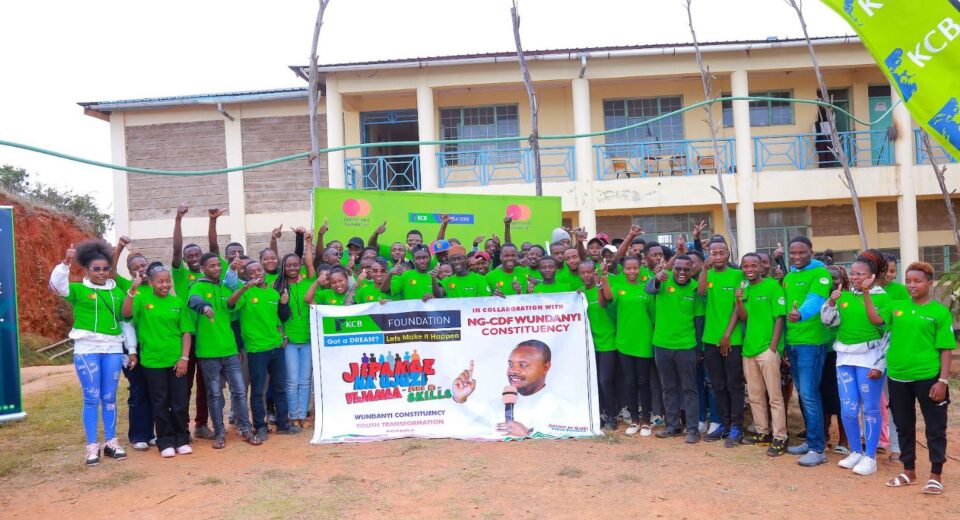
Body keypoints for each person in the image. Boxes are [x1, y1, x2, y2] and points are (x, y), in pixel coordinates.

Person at [864, 262, 953, 495]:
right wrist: (865, 292)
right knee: (904, 426)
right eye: (909, 280)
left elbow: (945, 350)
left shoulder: (939, 312)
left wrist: (942, 381)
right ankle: (909, 471)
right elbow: (875, 320)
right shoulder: (897, 307)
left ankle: (935, 475)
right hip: (898, 377)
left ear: (929, 283)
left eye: (917, 281)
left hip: (928, 377)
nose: (912, 285)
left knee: (935, 427)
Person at [50, 240, 129, 466]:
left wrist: (130, 350)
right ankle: (92, 445)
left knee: (109, 397)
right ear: (86, 270)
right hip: (87, 349)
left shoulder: (117, 292)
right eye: (96, 269)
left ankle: (111, 442)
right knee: (92, 397)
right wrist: (65, 262)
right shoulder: (78, 289)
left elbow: (125, 321)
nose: (102, 273)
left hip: (113, 347)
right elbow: (57, 286)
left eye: (105, 268)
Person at [821, 250, 890, 476]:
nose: (855, 277)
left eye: (861, 274)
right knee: (848, 409)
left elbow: (878, 322)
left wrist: (867, 294)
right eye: (853, 273)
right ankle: (856, 452)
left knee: (870, 409)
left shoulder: (882, 297)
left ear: (873, 276)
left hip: (869, 359)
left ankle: (870, 457)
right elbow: (828, 322)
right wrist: (831, 302)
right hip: (845, 359)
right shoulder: (845, 296)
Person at [185, 253, 257, 449]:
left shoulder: (227, 287)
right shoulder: (197, 285)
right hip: (208, 353)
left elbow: (232, 305)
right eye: (212, 265)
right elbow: (193, 300)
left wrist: (243, 288)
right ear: (203, 268)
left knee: (240, 391)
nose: (216, 268)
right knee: (215, 394)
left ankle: (245, 429)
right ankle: (219, 433)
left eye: (218, 265)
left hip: (230, 350)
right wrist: (205, 306)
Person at [122, 262, 192, 458]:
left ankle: (182, 439)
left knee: (179, 402)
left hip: (176, 361)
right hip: (152, 361)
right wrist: (132, 290)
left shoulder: (177, 303)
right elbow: (126, 314)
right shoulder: (142, 299)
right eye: (160, 281)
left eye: (167, 281)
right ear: (151, 283)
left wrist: (184, 357)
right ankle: (165, 441)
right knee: (160, 402)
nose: (165, 285)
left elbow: (186, 332)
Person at [228, 261, 302, 441]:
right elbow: (230, 305)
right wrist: (244, 287)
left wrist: (282, 336)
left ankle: (283, 424)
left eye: (259, 269)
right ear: (246, 276)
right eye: (251, 272)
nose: (257, 273)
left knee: (279, 387)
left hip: (276, 347)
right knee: (258, 390)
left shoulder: (272, 293)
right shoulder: (246, 292)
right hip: (256, 349)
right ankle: (260, 426)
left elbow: (277, 320)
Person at [782, 236, 833, 467]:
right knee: (803, 394)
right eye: (793, 253)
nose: (797, 256)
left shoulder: (821, 274)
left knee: (810, 395)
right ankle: (812, 441)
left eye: (801, 252)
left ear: (811, 252)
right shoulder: (790, 276)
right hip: (793, 342)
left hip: (812, 343)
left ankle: (817, 448)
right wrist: (784, 342)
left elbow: (815, 300)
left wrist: (801, 313)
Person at [735, 253, 788, 456]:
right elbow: (744, 318)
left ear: (760, 267)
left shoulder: (773, 286)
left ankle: (780, 437)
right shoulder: (745, 289)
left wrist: (773, 347)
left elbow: (780, 318)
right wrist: (739, 301)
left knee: (774, 396)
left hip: (767, 349)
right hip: (749, 349)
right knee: (756, 395)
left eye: (753, 265)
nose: (749, 269)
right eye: (745, 265)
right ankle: (762, 432)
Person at [451, 340, 561, 438]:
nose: (513, 371)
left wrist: (528, 435)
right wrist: (459, 399)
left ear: (545, 367)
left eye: (522, 365)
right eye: (511, 365)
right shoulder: (496, 405)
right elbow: (463, 429)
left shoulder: (559, 406)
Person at [646, 255, 701, 444]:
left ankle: (692, 429)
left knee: (689, 389)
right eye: (678, 268)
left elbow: (699, 320)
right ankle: (673, 426)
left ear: (692, 269)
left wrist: (698, 349)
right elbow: (648, 289)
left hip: (686, 346)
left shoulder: (695, 288)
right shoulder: (663, 280)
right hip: (662, 344)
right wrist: (658, 276)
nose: (682, 273)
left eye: (686, 269)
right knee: (668, 387)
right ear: (673, 268)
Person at [698, 240, 746, 446]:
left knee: (733, 385)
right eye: (713, 253)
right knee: (717, 385)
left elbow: (738, 307)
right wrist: (703, 269)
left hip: (732, 340)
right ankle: (725, 425)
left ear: (728, 254)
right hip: (710, 339)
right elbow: (701, 293)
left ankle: (736, 427)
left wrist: (727, 335)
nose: (717, 256)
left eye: (721, 253)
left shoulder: (737, 275)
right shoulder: (707, 274)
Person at [171, 205, 214, 440]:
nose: (194, 258)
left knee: (205, 384)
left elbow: (215, 248)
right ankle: (182, 428)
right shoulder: (179, 274)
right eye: (190, 256)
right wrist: (178, 219)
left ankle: (201, 425)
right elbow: (176, 248)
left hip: (207, 337)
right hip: (187, 336)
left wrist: (212, 221)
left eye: (198, 255)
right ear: (185, 260)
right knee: (183, 385)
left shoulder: (209, 274)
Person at [602, 256, 655, 437]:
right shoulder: (618, 287)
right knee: (630, 383)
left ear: (640, 268)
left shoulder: (646, 289)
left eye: (635, 268)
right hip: (624, 343)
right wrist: (603, 277)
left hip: (644, 342)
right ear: (623, 270)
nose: (632, 272)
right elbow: (608, 297)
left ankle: (646, 421)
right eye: (628, 269)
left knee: (644, 382)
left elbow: (653, 315)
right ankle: (634, 420)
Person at [111, 240, 155, 451]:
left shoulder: (157, 286)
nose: (140, 270)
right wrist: (119, 249)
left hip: (153, 346)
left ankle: (151, 433)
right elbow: (110, 272)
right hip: (130, 349)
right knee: (138, 389)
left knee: (154, 390)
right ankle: (138, 435)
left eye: (143, 266)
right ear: (128, 272)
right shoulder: (125, 287)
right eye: (134, 268)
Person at [275, 245, 316, 429]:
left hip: (308, 339)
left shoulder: (308, 282)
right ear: (283, 267)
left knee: (305, 380)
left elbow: (309, 261)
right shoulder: (277, 287)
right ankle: (292, 415)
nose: (292, 268)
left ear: (300, 265)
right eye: (288, 265)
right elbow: (275, 316)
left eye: (296, 265)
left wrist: (308, 241)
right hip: (289, 342)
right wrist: (282, 335)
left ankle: (302, 414)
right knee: (292, 381)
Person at [580, 261, 618, 430]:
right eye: (583, 272)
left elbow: (604, 304)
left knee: (605, 380)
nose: (586, 275)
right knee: (593, 381)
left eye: (589, 272)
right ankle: (599, 414)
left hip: (607, 341)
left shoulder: (601, 288)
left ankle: (611, 416)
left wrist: (599, 285)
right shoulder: (578, 294)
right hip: (589, 343)